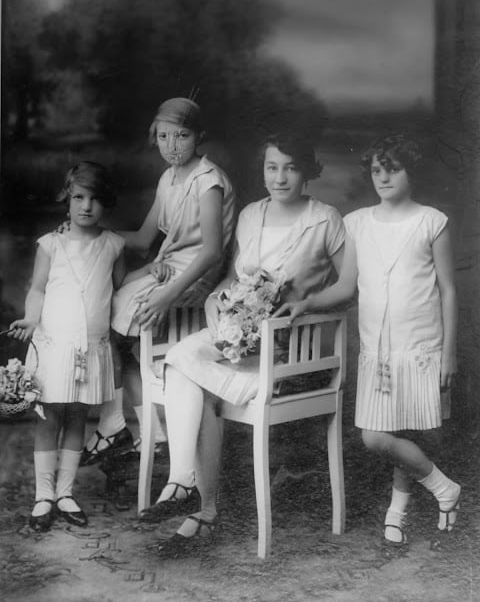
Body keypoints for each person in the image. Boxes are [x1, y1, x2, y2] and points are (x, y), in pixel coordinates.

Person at [139, 132, 346, 557]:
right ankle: (186, 486)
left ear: (307, 171)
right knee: (182, 360)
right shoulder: (252, 214)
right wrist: (217, 299)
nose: (280, 177)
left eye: (291, 168)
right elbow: (236, 277)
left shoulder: (325, 219)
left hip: (289, 353)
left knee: (183, 369)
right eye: (272, 167)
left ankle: (197, 502)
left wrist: (306, 304)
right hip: (238, 342)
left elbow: (349, 287)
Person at [277, 134, 460, 545]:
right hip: (378, 350)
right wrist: (306, 303)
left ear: (412, 171)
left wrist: (449, 354)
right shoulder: (357, 223)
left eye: (393, 169)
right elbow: (346, 287)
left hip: (420, 346)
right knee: (377, 436)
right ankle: (443, 488)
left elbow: (448, 290)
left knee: (406, 429)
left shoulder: (432, 222)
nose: (383, 177)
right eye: (377, 170)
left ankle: (397, 510)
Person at [80, 97, 236, 466]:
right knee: (103, 323)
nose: (172, 146)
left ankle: (121, 427)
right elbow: (142, 239)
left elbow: (212, 252)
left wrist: (167, 297)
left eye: (181, 136)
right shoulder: (169, 178)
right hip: (168, 268)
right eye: (163, 136)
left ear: (199, 136)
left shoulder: (208, 181)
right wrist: (88, 232)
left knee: (113, 327)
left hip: (196, 277)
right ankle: (143, 431)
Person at [9, 162, 127, 531]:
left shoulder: (113, 245)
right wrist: (31, 318)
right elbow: (37, 288)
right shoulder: (51, 244)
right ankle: (43, 495)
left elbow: (122, 289)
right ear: (67, 200)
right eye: (78, 197)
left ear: (105, 202)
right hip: (54, 345)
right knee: (49, 418)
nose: (86, 206)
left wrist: (152, 272)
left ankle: (65, 493)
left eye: (95, 198)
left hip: (90, 348)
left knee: (77, 417)